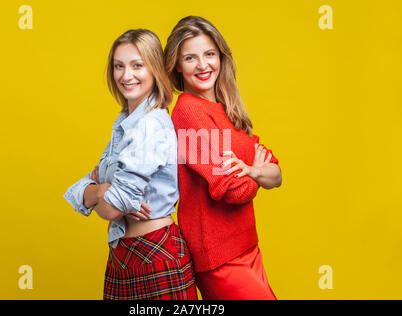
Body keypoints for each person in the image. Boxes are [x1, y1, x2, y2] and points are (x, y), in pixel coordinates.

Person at [64, 29, 197, 300]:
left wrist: (98, 191)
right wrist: (101, 190)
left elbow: (113, 208)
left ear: (155, 70)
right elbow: (85, 190)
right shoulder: (126, 124)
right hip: (123, 257)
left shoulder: (150, 124)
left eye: (138, 65)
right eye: (119, 66)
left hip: (155, 253)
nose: (126, 75)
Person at [164, 16, 282, 300]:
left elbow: (276, 174)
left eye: (209, 54)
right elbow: (231, 189)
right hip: (219, 255)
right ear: (177, 66)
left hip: (247, 244)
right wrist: (256, 171)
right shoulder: (189, 113)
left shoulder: (226, 109)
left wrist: (254, 171)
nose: (203, 65)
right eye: (190, 58)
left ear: (220, 57)